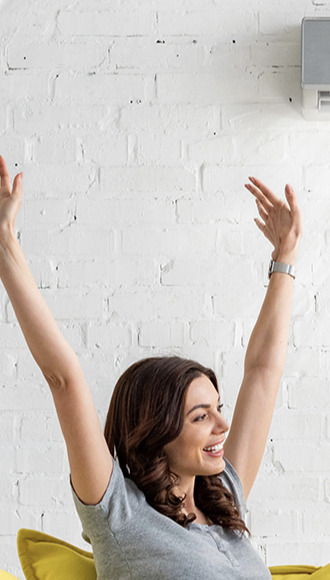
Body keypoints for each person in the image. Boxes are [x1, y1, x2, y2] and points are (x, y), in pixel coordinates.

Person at [0, 154, 301, 578]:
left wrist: (284, 256)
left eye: (218, 408)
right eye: (201, 415)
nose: (222, 425)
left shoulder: (225, 496)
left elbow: (263, 373)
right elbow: (63, 378)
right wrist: (5, 243)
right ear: (157, 430)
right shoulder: (118, 515)